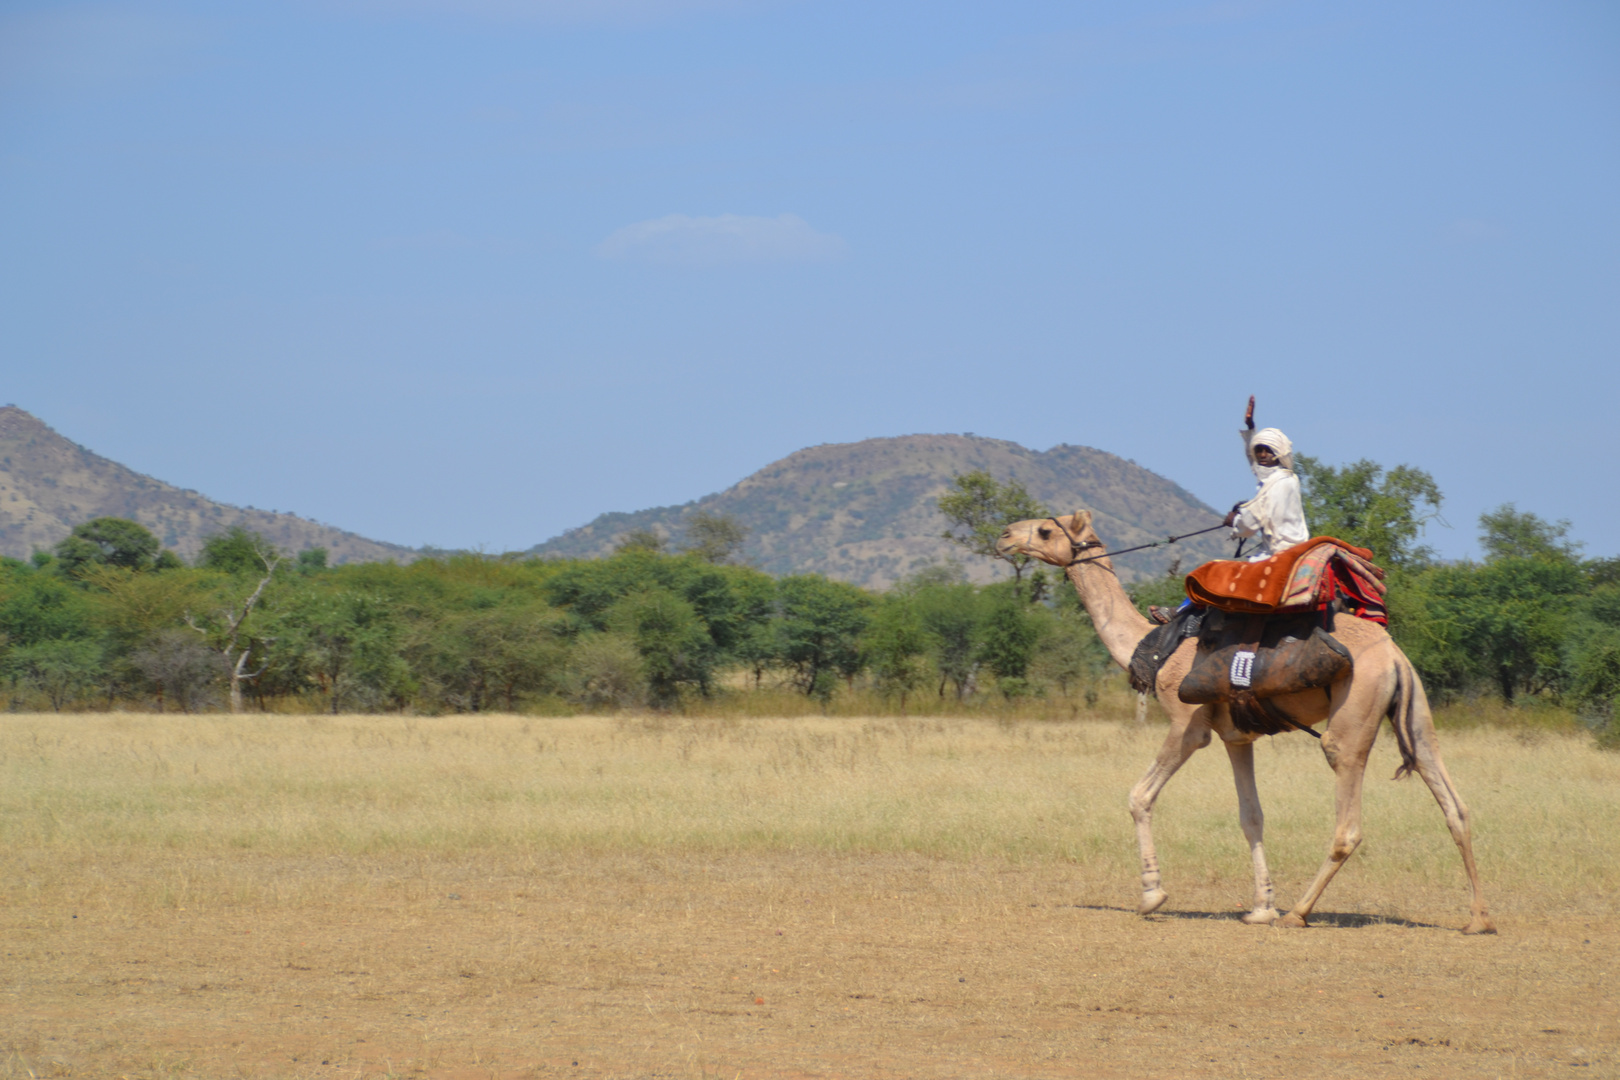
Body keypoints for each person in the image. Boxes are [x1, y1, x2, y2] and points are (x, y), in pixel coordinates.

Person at [1222, 397, 1308, 561]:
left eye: (1267, 451)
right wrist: (1251, 427)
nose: (1262, 455)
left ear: (1278, 454)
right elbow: (1256, 466)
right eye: (1259, 450)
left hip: (1278, 551)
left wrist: (1235, 521)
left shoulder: (1276, 484)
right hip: (1295, 548)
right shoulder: (1288, 478)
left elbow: (1251, 521)